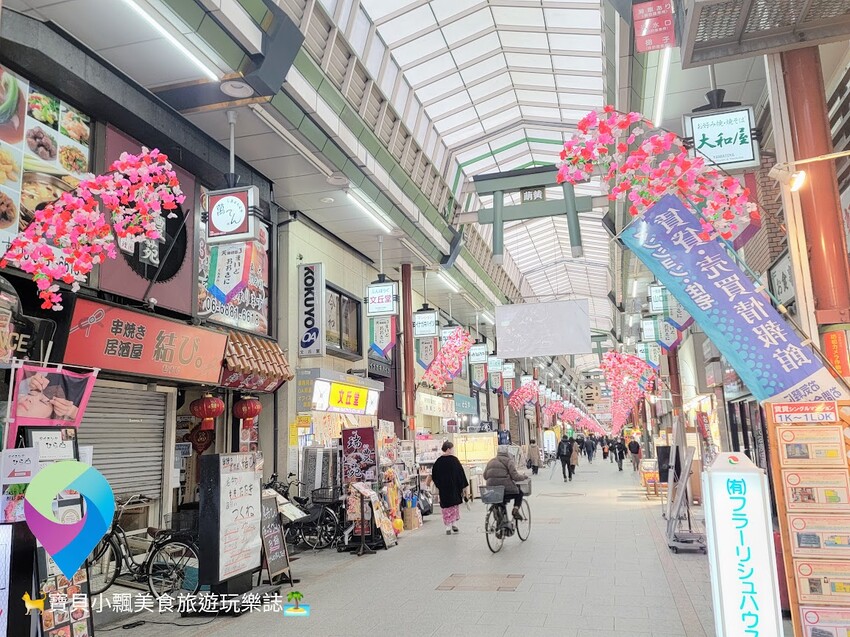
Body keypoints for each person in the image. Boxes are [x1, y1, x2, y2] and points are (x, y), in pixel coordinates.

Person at [428, 441, 469, 535]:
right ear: (448, 449)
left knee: (446, 508)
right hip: (454, 489)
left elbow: (434, 475)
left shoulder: (438, 462)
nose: (453, 450)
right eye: (452, 449)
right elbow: (461, 474)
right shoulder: (455, 460)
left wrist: (440, 485)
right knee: (454, 507)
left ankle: (447, 527)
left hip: (444, 490)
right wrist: (462, 487)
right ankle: (454, 524)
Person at [483, 445, 528, 521]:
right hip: (506, 489)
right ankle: (515, 509)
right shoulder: (508, 461)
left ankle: (498, 512)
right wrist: (524, 477)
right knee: (519, 493)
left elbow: (485, 476)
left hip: (491, 490)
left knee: (500, 500)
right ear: (507, 452)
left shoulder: (491, 461)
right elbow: (515, 477)